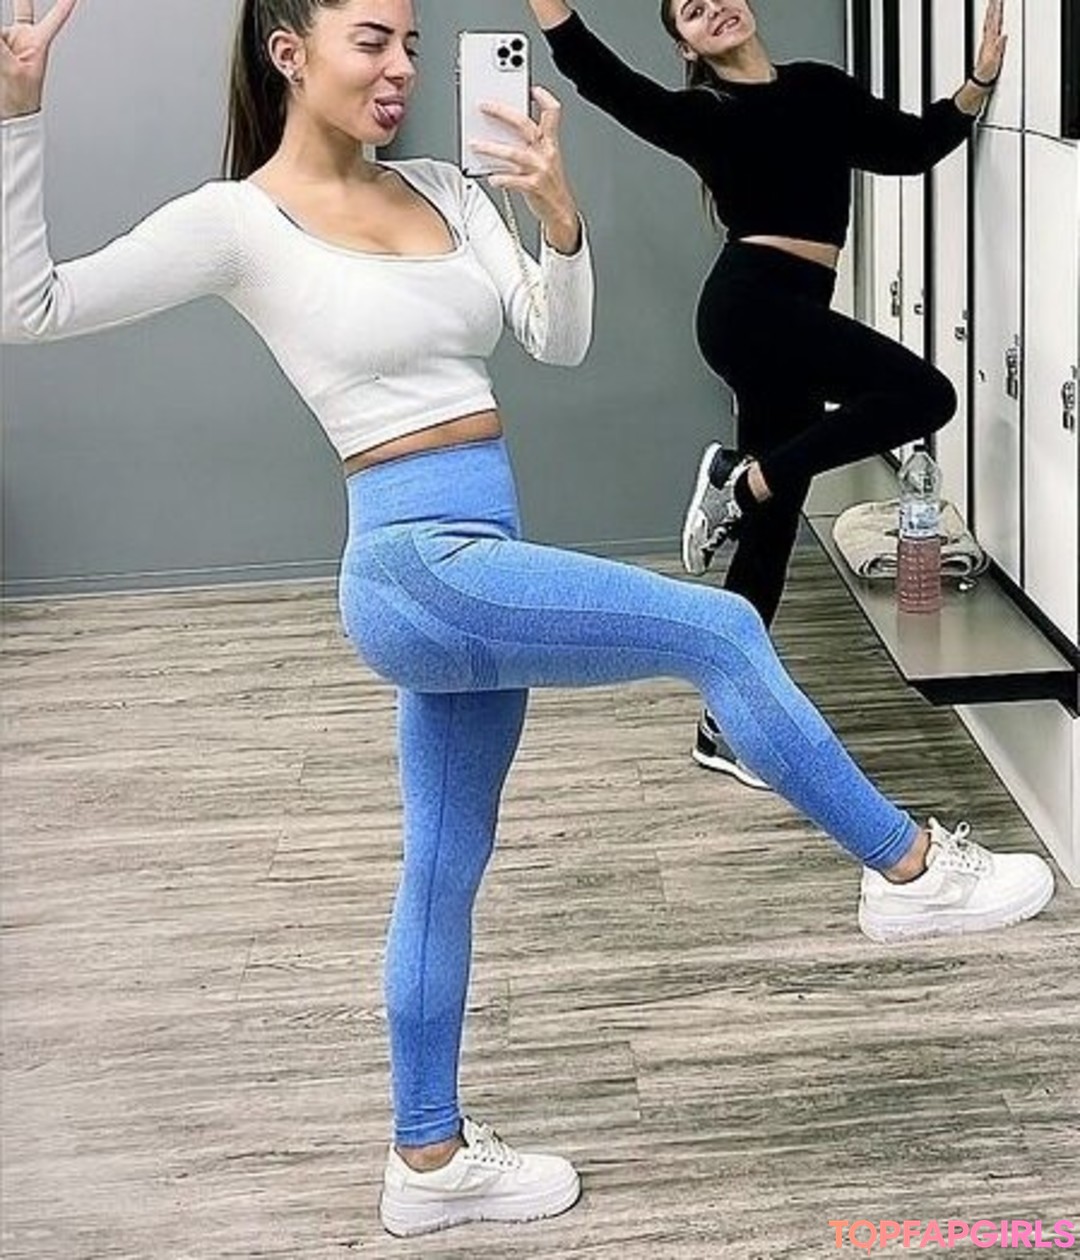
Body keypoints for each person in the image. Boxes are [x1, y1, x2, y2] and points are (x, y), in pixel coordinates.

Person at [1, 0, 1051, 1241]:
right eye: (372, 41)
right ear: (290, 54)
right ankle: (908, 870)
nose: (401, 66)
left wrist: (557, 216)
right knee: (718, 632)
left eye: (409, 43)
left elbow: (557, 337)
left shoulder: (447, 187)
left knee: (443, 868)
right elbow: (32, 304)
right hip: (412, 566)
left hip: (474, 556)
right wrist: (19, 108)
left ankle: (428, 1158)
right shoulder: (238, 221)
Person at [525, 0, 1006, 789]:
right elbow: (599, 77)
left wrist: (978, 81)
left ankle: (722, 724)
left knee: (771, 533)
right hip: (750, 309)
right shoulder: (704, 114)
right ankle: (741, 481)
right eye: (691, 10)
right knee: (925, 395)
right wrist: (548, 8)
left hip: (789, 315)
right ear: (685, 43)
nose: (714, 8)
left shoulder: (820, 87)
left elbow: (911, 146)